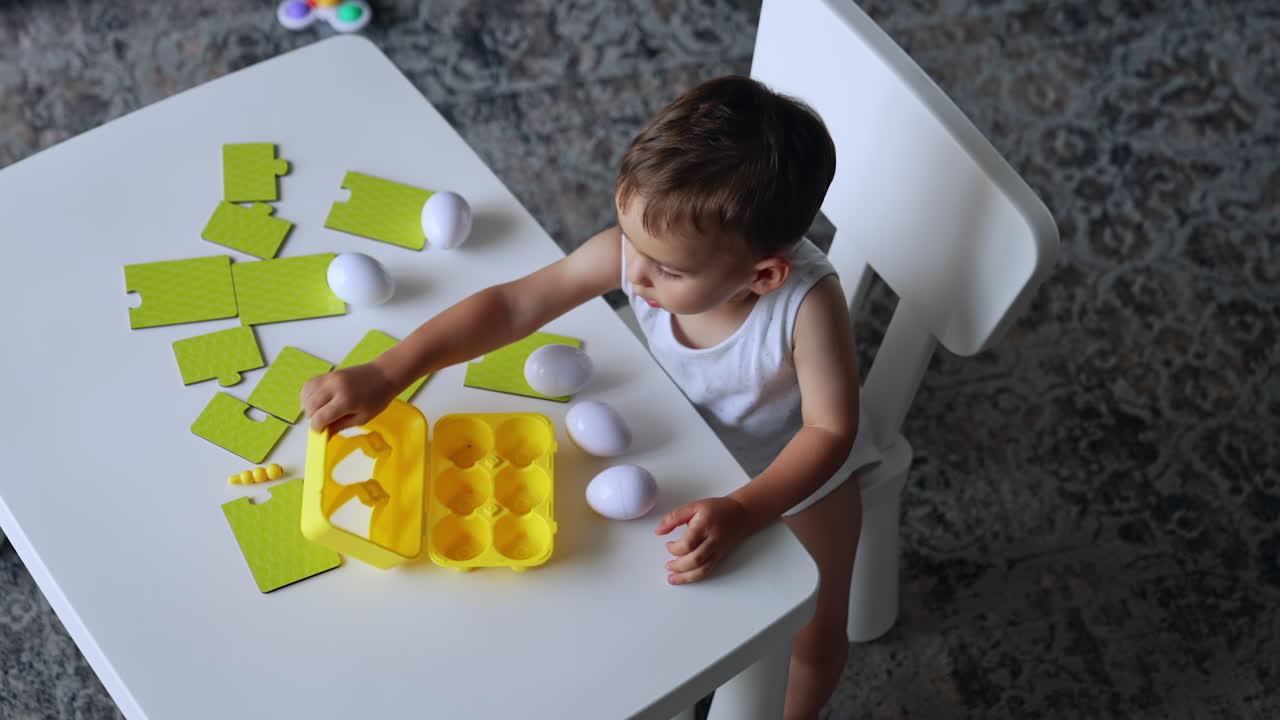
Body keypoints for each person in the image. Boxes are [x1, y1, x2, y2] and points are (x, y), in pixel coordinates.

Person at [301, 75, 878, 720]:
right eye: (630, 240)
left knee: (814, 629)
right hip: (681, 434)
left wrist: (747, 507)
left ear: (762, 276)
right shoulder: (637, 253)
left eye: (668, 270)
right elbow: (513, 304)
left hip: (790, 470)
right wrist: (389, 371)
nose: (634, 273)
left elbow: (830, 433)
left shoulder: (807, 308)